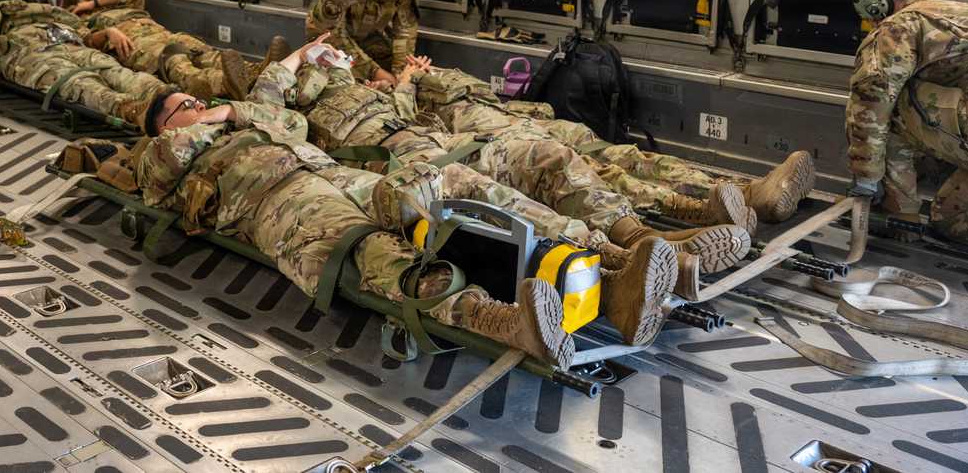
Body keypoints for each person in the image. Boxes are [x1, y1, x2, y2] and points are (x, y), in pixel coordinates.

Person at [90, 89, 577, 364]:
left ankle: (593, 252)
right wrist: (210, 122)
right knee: (367, 250)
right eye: (186, 106)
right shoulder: (157, 151)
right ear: (163, 124)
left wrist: (232, 111)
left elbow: (292, 123)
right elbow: (161, 172)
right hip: (277, 201)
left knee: (449, 181)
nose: (200, 106)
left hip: (329, 172)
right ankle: (501, 321)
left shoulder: (235, 119)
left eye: (199, 102)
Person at [263, 45, 747, 299]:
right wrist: (297, 58)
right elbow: (262, 105)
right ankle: (621, 265)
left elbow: (406, 105)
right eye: (324, 62)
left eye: (337, 59)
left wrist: (406, 81)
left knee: (549, 156)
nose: (336, 62)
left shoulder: (372, 91)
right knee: (505, 206)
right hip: (406, 166)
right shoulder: (298, 117)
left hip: (445, 144)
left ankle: (640, 240)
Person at [410, 65, 817, 230]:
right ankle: (699, 207)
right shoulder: (396, 97)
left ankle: (744, 190)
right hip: (494, 134)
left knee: (623, 154)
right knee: (600, 174)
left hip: (518, 117)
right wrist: (403, 81)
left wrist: (425, 71)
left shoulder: (433, 72)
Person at [846, 0, 968, 248]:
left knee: (894, 109)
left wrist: (866, 176)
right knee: (950, 209)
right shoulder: (959, 11)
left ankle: (900, 219)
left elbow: (871, 99)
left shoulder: (898, 26)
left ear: (873, 3)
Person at [63, 0, 285, 98]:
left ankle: (257, 72)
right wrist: (108, 31)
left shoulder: (121, 3)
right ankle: (227, 86)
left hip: (162, 33)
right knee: (177, 63)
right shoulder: (80, 21)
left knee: (206, 53)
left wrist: (93, 2)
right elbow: (86, 41)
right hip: (136, 45)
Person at [0, 0, 166, 123]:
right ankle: (131, 110)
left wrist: (107, 32)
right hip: (31, 53)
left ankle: (171, 99)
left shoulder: (60, 19)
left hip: (70, 43)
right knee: (77, 82)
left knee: (115, 72)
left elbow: (87, 38)